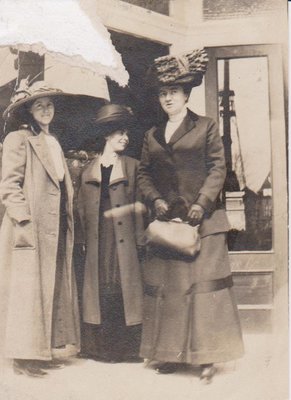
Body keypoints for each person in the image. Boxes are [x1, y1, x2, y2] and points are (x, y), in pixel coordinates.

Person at [138, 49, 244, 383]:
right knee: (171, 290)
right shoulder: (152, 135)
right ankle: (170, 354)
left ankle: (207, 358)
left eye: (173, 92)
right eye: (163, 93)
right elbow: (143, 173)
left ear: (186, 94)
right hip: (170, 224)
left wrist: (202, 202)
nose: (167, 98)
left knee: (203, 291)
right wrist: (154, 199)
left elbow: (218, 166)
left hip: (205, 222)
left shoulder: (206, 127)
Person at [0, 80, 80, 377]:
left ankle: (44, 349)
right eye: (39, 105)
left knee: (51, 286)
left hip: (54, 223)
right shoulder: (18, 139)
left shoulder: (53, 140)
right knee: (27, 290)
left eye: (49, 104)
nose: (46, 110)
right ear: (28, 111)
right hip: (29, 225)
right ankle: (23, 356)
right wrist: (23, 220)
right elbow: (9, 185)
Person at [77, 104, 145, 363]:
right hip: (99, 238)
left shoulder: (133, 167)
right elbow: (80, 207)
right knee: (100, 288)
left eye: (126, 133)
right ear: (106, 135)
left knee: (124, 288)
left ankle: (128, 349)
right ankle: (101, 349)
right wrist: (82, 239)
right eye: (118, 133)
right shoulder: (88, 170)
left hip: (125, 239)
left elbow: (140, 206)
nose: (124, 138)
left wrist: (140, 240)